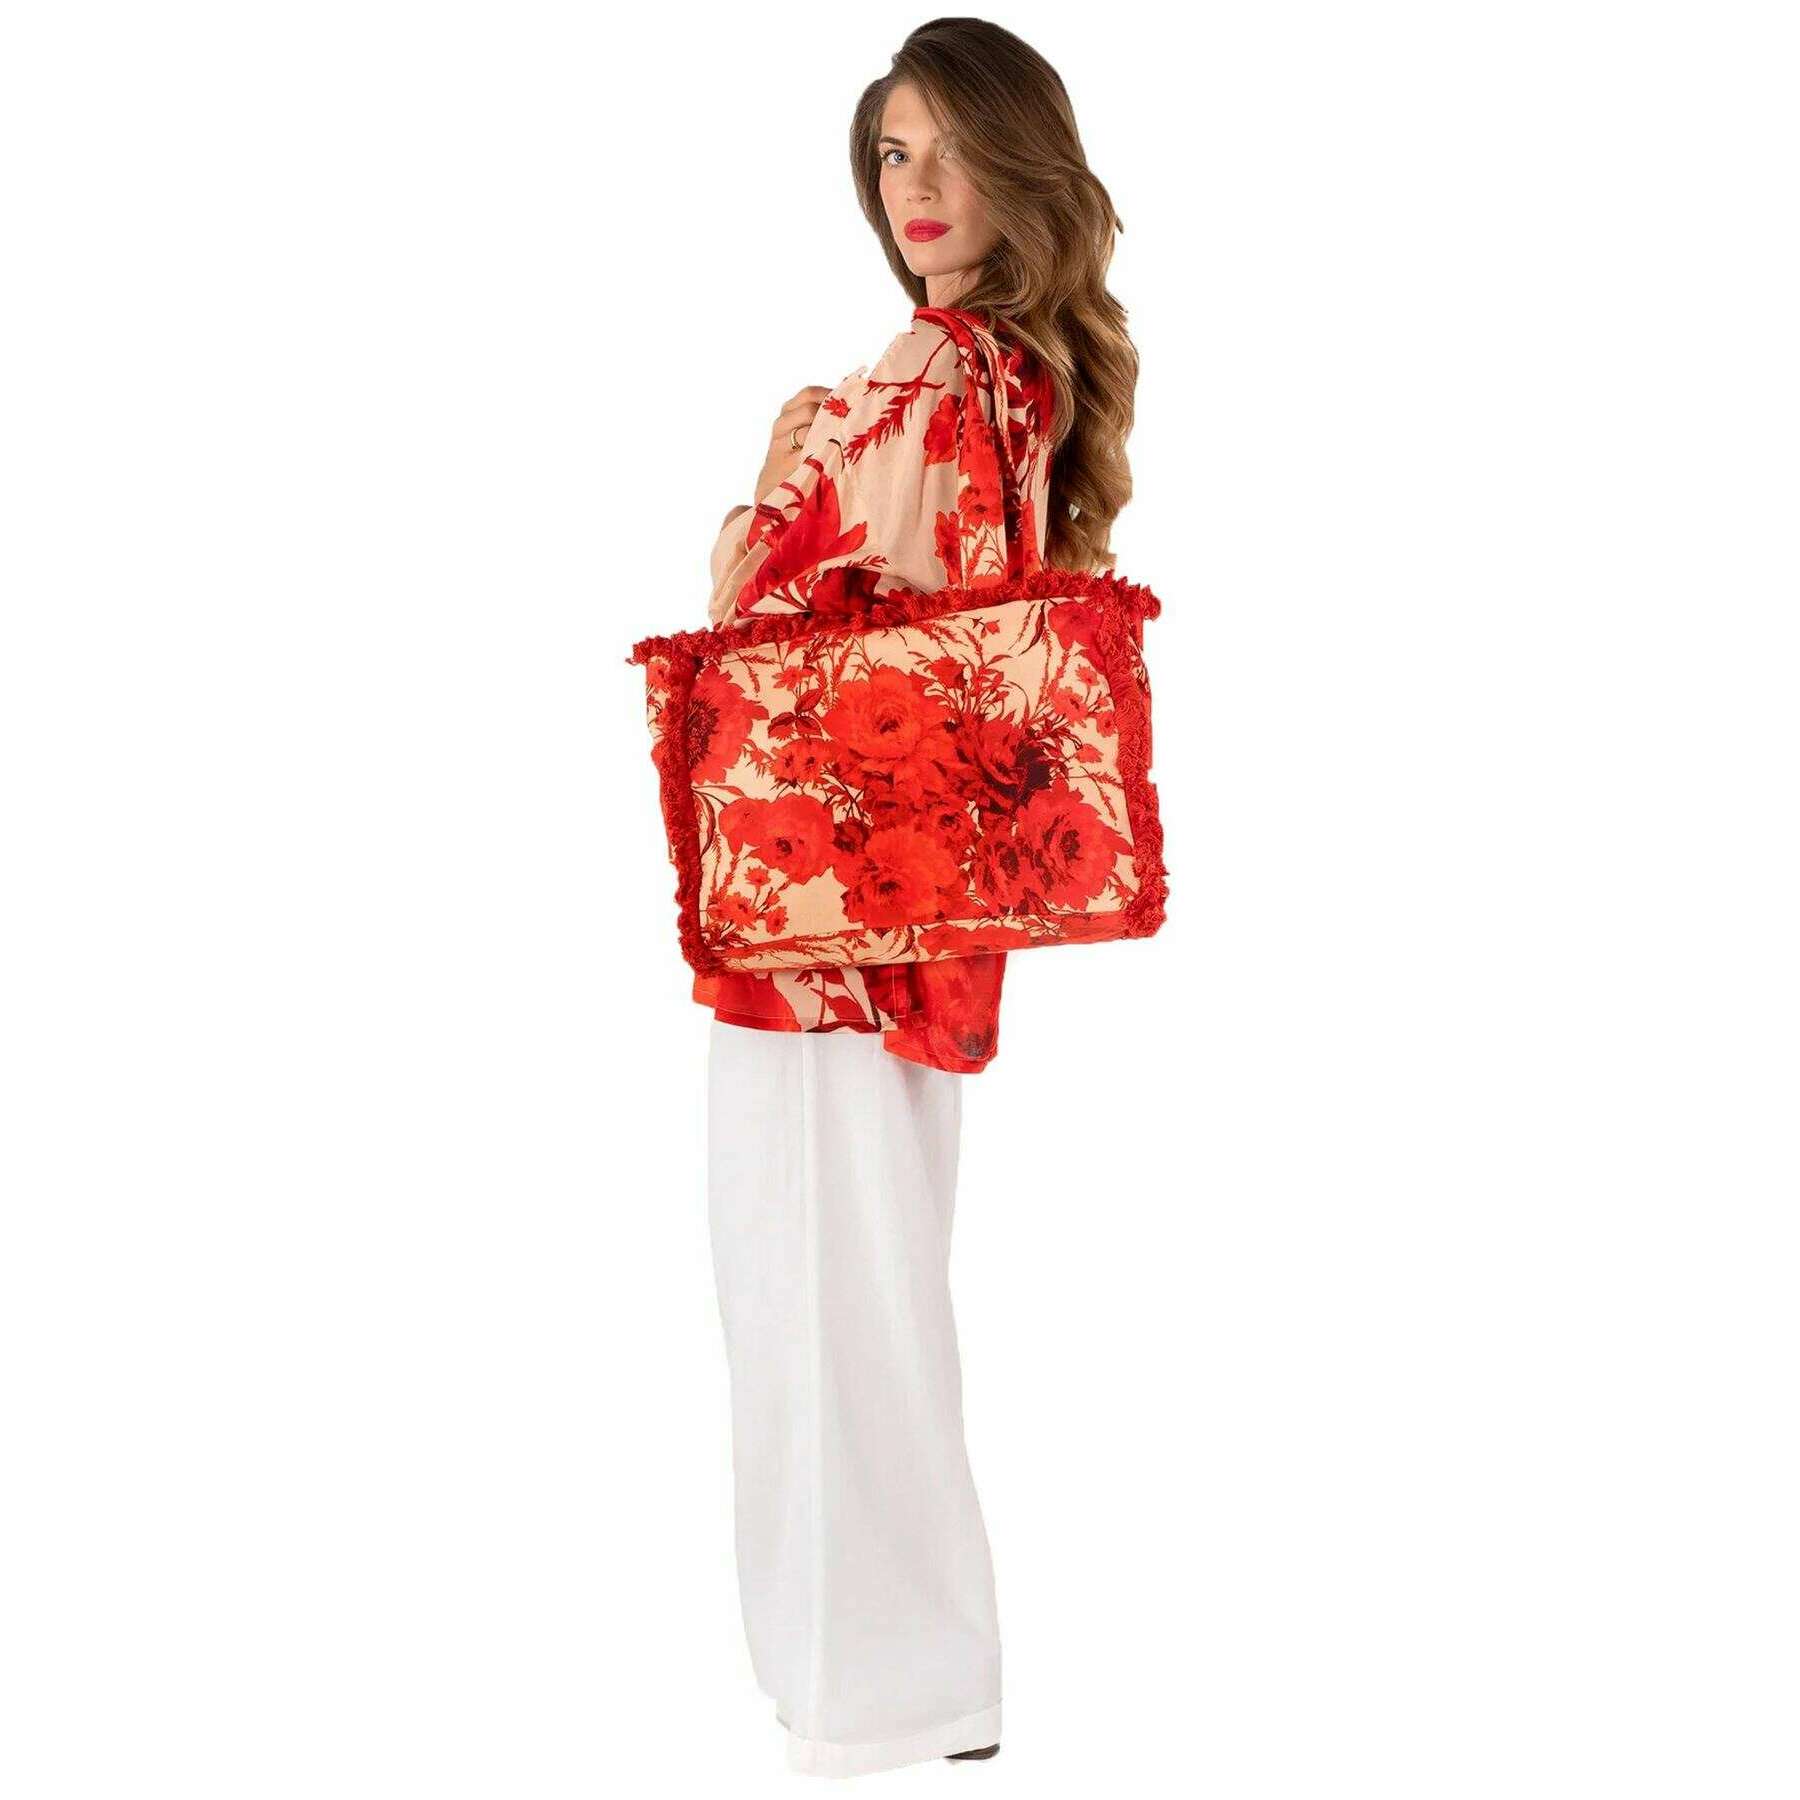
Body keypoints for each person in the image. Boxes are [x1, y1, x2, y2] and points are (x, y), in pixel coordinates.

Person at [700, 20, 1138, 1777]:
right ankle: (895, 1680)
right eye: (895, 152)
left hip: (828, 905)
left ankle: (892, 1692)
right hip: (916, 900)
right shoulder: (1020, 379)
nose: (921, 187)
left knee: (814, 1288)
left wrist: (785, 455)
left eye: (955, 147)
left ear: (1026, 168)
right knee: (864, 1284)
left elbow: (772, 597)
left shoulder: (932, 367)